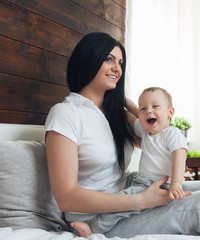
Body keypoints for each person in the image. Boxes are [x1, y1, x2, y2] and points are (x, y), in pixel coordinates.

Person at [44, 32, 200, 239]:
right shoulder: (66, 114)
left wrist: (123, 100)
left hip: (131, 189)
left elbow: (153, 135)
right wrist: (142, 200)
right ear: (89, 59)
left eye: (120, 62)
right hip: (97, 219)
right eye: (109, 59)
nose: (117, 69)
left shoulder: (115, 114)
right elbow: (66, 198)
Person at [71, 86, 190, 237]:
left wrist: (176, 183)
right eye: (143, 108)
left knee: (122, 203)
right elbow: (130, 116)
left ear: (170, 112)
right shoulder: (146, 131)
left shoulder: (172, 133)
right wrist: (120, 100)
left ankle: (93, 228)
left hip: (157, 183)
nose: (148, 111)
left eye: (155, 106)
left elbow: (179, 157)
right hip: (142, 180)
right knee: (124, 200)